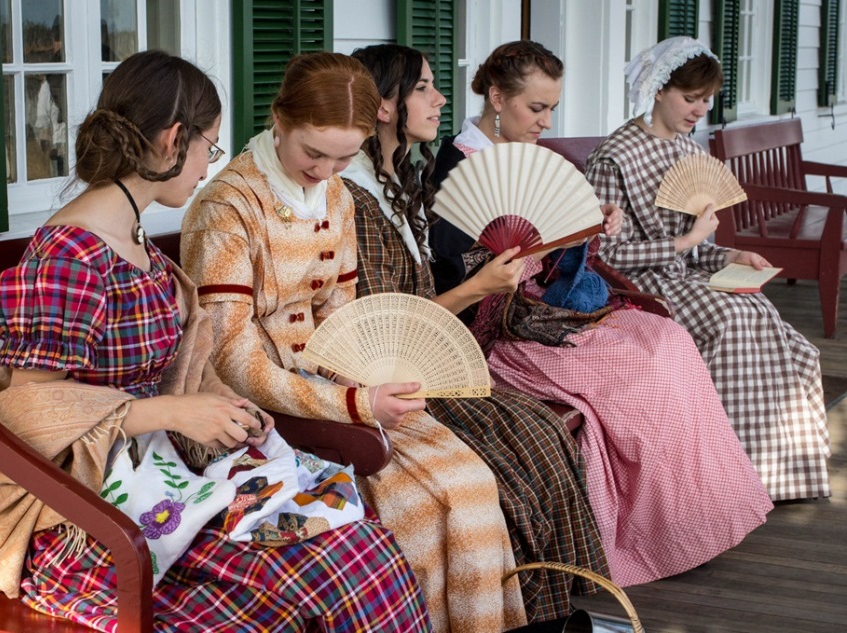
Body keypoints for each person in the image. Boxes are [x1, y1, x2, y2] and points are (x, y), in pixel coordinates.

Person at [0, 50, 430, 633]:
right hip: (91, 516)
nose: (207, 168)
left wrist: (235, 410)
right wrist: (172, 410)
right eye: (208, 148)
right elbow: (27, 412)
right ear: (172, 141)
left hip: (168, 479)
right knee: (329, 570)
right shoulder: (68, 257)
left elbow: (185, 363)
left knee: (364, 550)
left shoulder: (133, 244)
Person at [182, 51, 524, 632]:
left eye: (343, 157)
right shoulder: (227, 207)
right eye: (312, 152)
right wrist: (355, 405)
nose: (324, 171)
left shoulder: (338, 196)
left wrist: (361, 379)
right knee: (411, 512)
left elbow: (340, 316)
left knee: (471, 485)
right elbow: (230, 356)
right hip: (261, 408)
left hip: (332, 384)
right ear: (278, 121)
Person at [425, 40, 773, 587]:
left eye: (551, 110)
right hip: (501, 327)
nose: (544, 121)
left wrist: (594, 219)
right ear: (496, 96)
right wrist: (528, 253)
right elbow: (457, 272)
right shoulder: (458, 166)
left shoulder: (531, 155)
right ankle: (645, 532)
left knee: (667, 341)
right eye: (535, 108)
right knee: (636, 371)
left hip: (553, 309)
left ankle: (689, 520)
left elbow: (564, 236)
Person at [341, 44, 613, 628]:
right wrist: (478, 285)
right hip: (399, 371)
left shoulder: (405, 176)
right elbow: (387, 325)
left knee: (543, 434)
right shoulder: (357, 194)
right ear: (384, 105)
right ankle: (525, 617)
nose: (440, 98)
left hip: (436, 348)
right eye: (424, 88)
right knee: (511, 457)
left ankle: (551, 607)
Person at [586, 36, 831, 502]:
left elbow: (700, 251)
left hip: (684, 274)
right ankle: (725, 479)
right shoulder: (614, 155)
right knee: (730, 320)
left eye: (706, 100)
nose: (699, 110)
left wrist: (732, 257)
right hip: (635, 283)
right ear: (659, 88)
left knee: (766, 318)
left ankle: (773, 473)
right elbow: (603, 255)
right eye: (690, 98)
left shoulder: (692, 153)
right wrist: (684, 243)